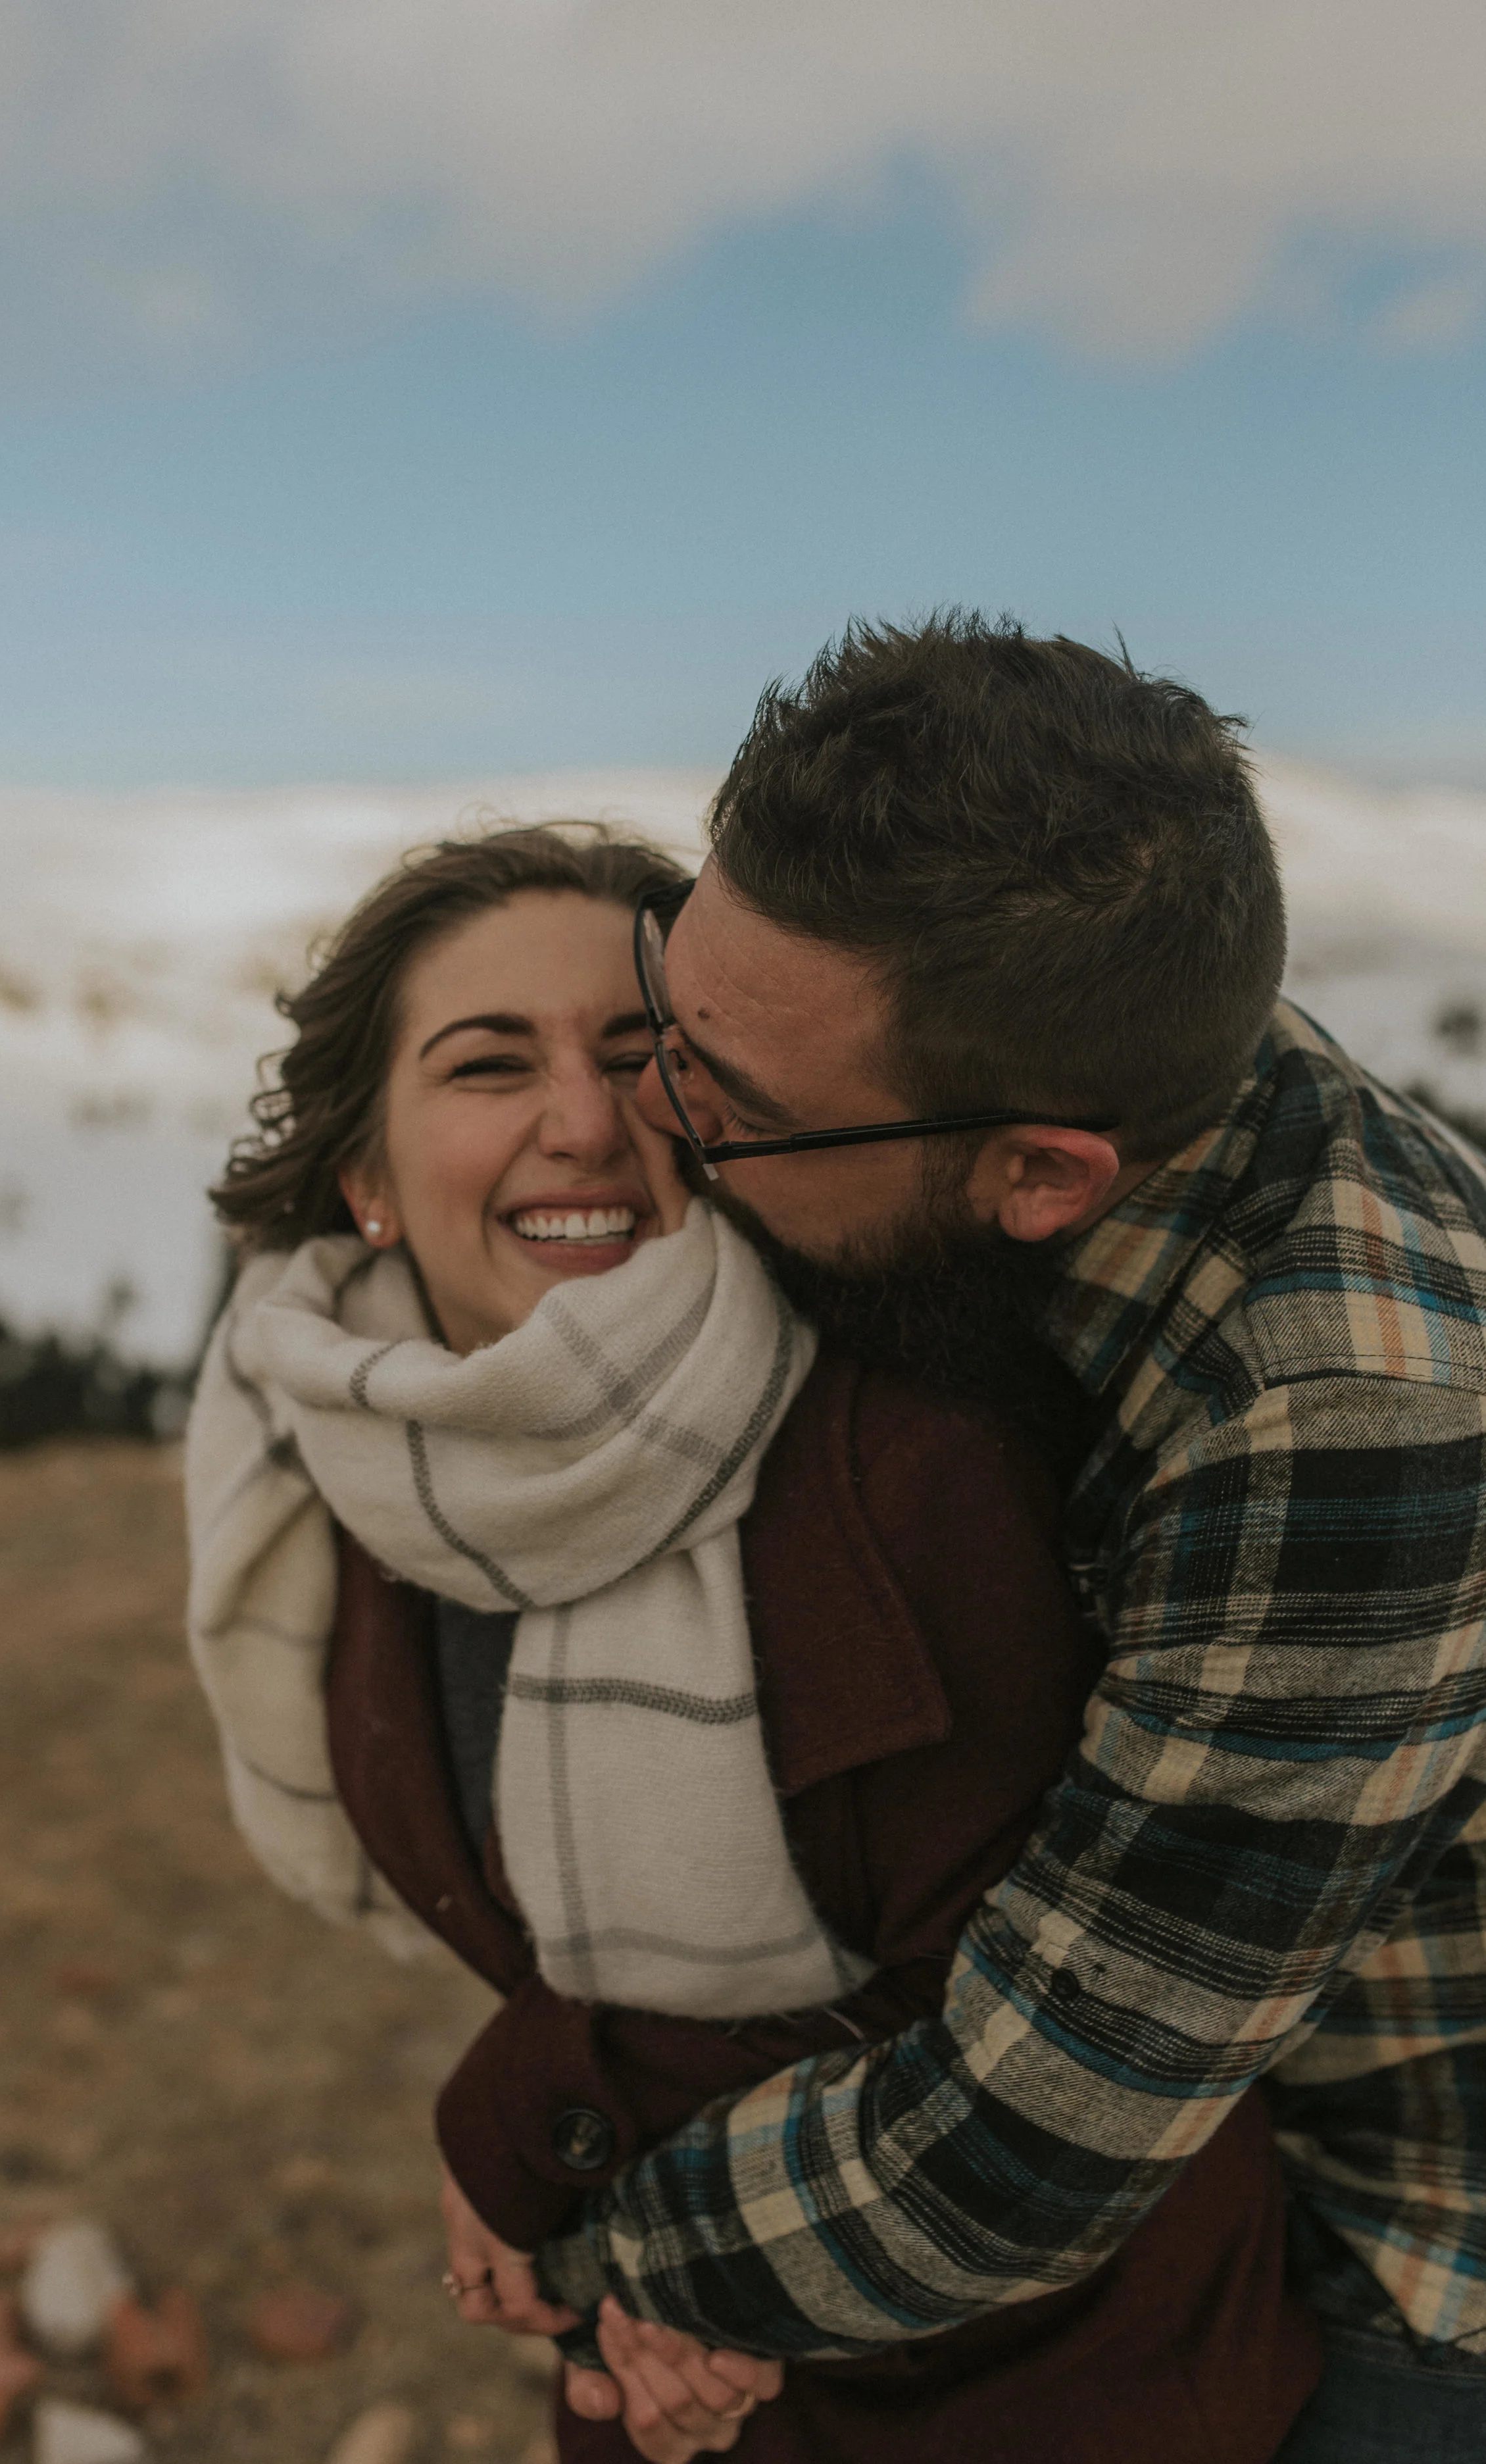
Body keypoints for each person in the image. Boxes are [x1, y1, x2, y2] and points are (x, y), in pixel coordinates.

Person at [464, 620, 1486, 2464]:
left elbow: (1029, 2140)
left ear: (1038, 1178)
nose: (649, 1126)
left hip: (1392, 2239)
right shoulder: (1055, 1035)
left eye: (729, 1107)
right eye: (668, 1012)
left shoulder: (1348, 1419)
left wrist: (609, 2244)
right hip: (1181, 2163)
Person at [184, 824, 1320, 2462]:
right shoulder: (347, 1461)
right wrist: (629, 2276)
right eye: (488, 1064)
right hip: (658, 2377)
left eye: (642, 1054)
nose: (581, 1123)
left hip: (1060, 2378)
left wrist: (543, 2129)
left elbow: (1017, 2028)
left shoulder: (908, 1456)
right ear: (364, 1175)